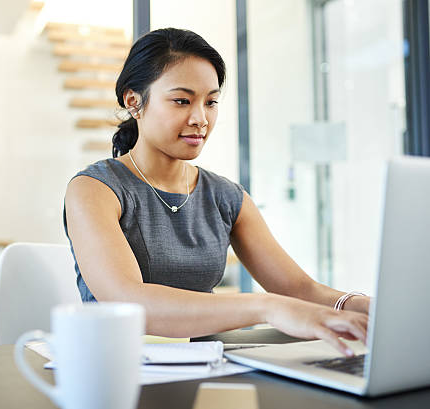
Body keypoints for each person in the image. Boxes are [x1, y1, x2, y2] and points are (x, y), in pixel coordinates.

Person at [64, 28, 369, 357]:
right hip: (115, 369)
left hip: (206, 364)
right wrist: (265, 307)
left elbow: (297, 288)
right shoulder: (93, 189)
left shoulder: (226, 196)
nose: (200, 119)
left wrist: (363, 306)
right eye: (182, 100)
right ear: (134, 101)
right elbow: (128, 299)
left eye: (210, 102)